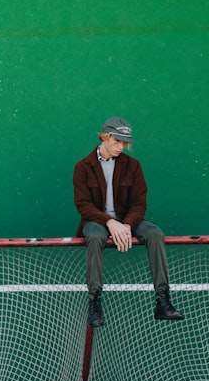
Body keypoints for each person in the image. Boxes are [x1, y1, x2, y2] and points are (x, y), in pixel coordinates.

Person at [72, 116, 183, 327]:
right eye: (117, 141)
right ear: (105, 137)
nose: (121, 147)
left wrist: (126, 225)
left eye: (125, 142)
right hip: (96, 221)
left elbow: (140, 203)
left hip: (128, 221)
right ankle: (94, 302)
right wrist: (109, 223)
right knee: (95, 236)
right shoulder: (83, 167)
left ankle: (163, 300)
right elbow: (83, 205)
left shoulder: (133, 165)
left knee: (155, 233)